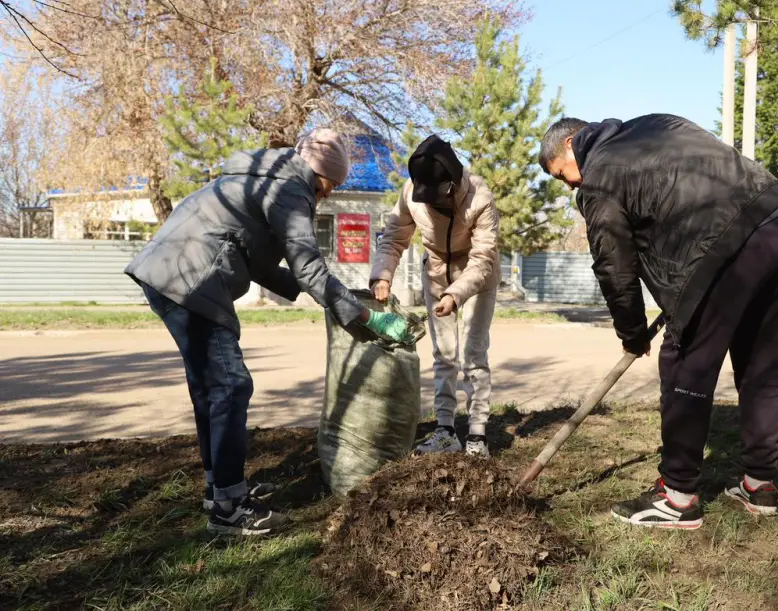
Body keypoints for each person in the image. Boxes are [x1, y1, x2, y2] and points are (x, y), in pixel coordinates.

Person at [125, 128, 413, 536]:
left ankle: (220, 489)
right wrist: (365, 318)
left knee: (209, 389)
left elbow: (258, 258)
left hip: (166, 275)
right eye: (332, 185)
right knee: (230, 386)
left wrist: (323, 292)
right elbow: (308, 265)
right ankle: (229, 510)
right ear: (320, 173)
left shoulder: (259, 177)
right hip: (190, 280)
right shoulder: (292, 190)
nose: (329, 194)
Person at [539, 114, 778, 530]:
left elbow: (614, 264)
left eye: (562, 175)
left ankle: (677, 497)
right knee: (760, 366)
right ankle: (760, 483)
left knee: (684, 364)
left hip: (726, 244)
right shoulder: (658, 124)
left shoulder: (600, 174)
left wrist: (631, 332)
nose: (571, 186)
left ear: (571, 144)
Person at [370, 134, 500, 458]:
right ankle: (445, 431)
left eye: (437, 197)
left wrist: (455, 294)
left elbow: (483, 258)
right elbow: (393, 238)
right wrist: (382, 275)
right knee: (444, 353)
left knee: (474, 354)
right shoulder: (411, 194)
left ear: (453, 185)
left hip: (478, 276)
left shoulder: (479, 196)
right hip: (437, 274)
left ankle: (477, 436)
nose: (430, 204)